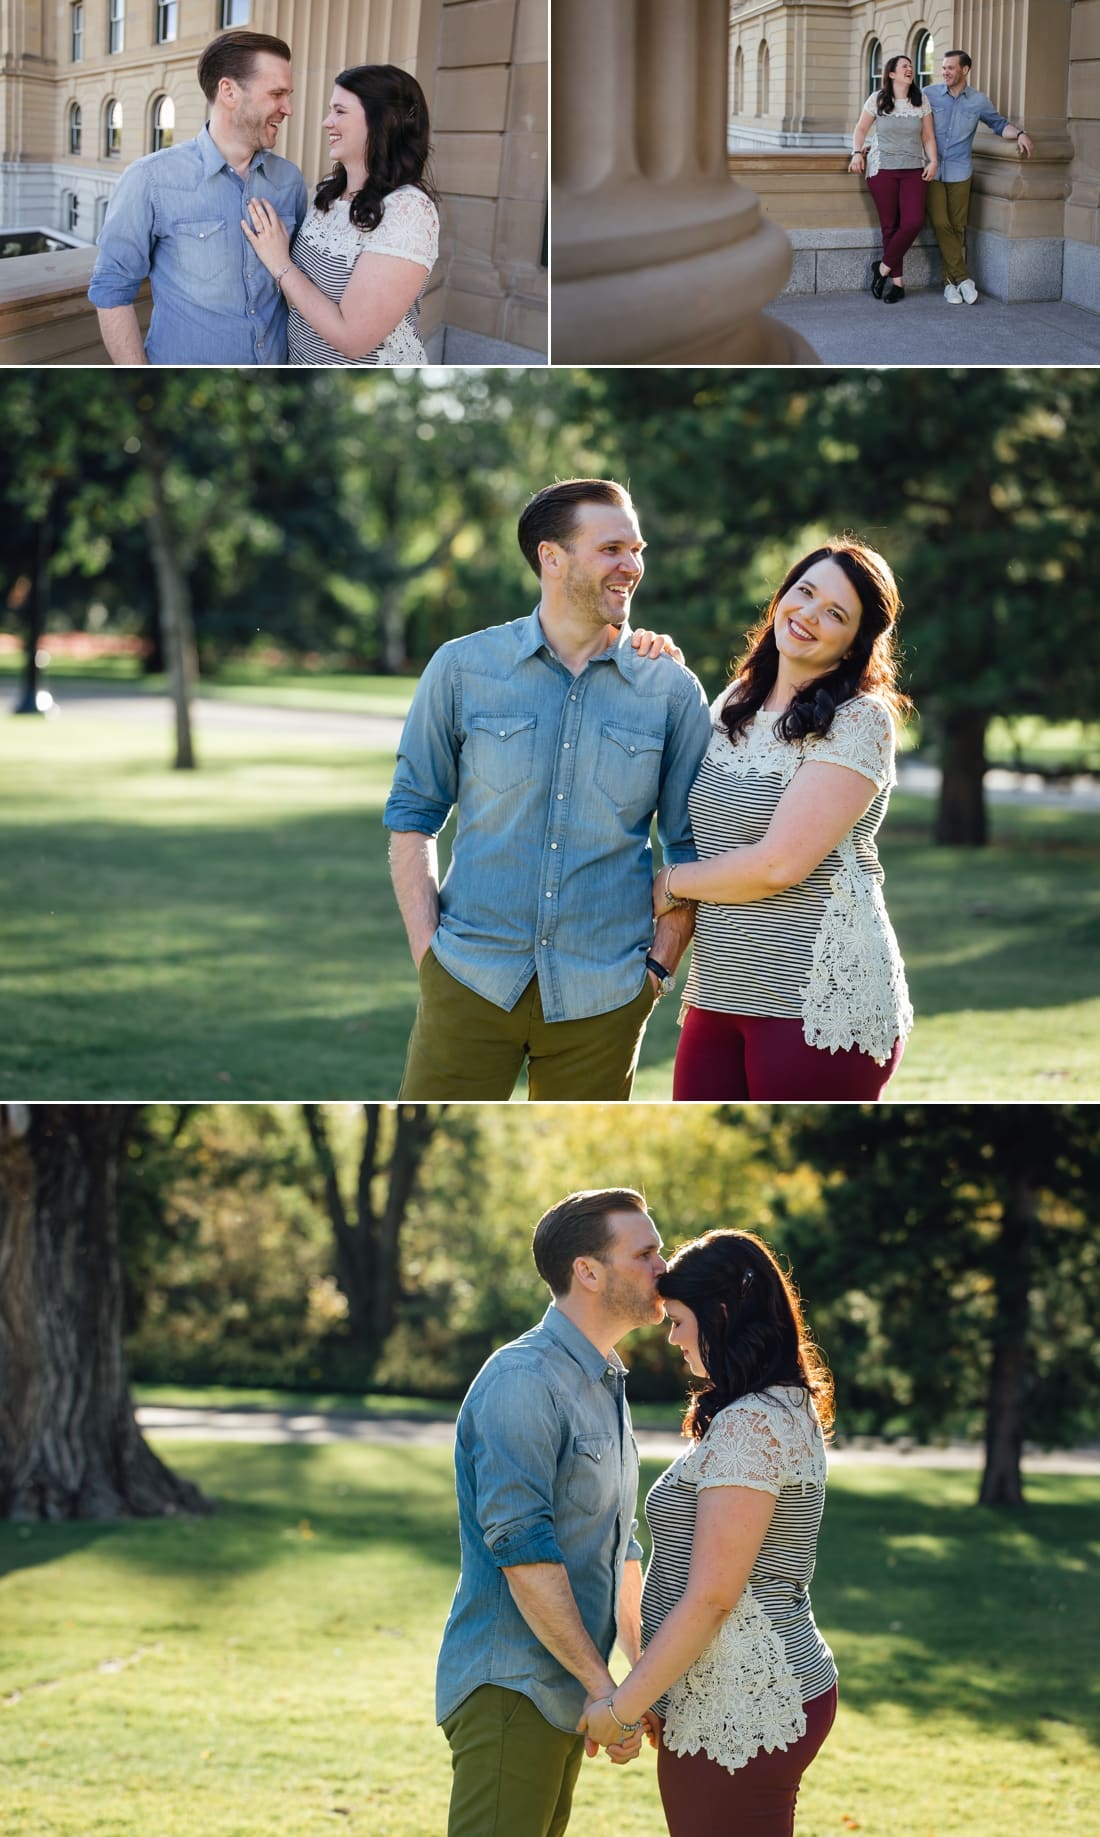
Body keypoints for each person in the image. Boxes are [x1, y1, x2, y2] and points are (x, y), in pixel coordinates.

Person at [383, 478, 712, 1100]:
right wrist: (431, 957)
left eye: (637, 550)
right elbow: (412, 817)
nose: (632, 566)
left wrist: (657, 971)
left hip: (607, 998)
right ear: (551, 557)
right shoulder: (461, 668)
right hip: (468, 983)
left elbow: (691, 846)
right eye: (612, 548)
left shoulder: (669, 690)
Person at [579, 1229, 838, 1837]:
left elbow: (714, 1596)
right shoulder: (777, 1404)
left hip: (743, 1696)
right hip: (748, 1680)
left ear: (720, 1314)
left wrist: (623, 1707)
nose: (672, 1339)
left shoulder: (751, 1423)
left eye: (677, 1321)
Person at [436, 1187, 666, 1837]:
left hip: (569, 1692)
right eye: (645, 1252)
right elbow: (525, 1555)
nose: (662, 1267)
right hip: (514, 1691)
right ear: (587, 1271)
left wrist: (633, 1690)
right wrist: (605, 1691)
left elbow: (620, 1549)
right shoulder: (523, 1380)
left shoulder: (606, 1380)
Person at [654, 538, 913, 1102]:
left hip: (815, 1003)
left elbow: (778, 864)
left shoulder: (860, 720)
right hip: (719, 990)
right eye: (805, 592)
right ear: (781, 598)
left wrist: (667, 885)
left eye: (835, 614)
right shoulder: (736, 700)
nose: (809, 616)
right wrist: (652, 664)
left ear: (853, 647)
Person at [88, 30, 307, 365]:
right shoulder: (150, 179)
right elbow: (111, 290)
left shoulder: (289, 181)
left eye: (288, 95)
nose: (288, 109)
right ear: (229, 91)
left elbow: (302, 282)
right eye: (277, 94)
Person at [241, 64, 440, 365]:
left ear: (382, 121)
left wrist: (280, 264)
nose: (326, 122)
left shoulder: (408, 210)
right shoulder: (329, 195)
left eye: (340, 111)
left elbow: (352, 339)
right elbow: (304, 299)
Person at [924, 48, 1033, 305]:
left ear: (965, 70)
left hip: (961, 171)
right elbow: (905, 121)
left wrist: (1020, 134)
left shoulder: (978, 101)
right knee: (941, 223)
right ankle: (963, 278)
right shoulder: (928, 95)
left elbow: (998, 124)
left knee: (957, 226)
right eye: (943, 67)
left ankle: (950, 284)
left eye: (950, 67)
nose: (945, 72)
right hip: (931, 169)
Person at [849, 54, 938, 304]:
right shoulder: (877, 99)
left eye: (911, 66)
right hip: (882, 169)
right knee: (890, 226)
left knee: (913, 222)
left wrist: (934, 161)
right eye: (904, 66)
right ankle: (897, 284)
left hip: (913, 170)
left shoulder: (921, 101)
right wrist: (857, 152)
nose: (909, 69)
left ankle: (882, 269)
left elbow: (928, 137)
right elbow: (861, 129)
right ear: (891, 74)